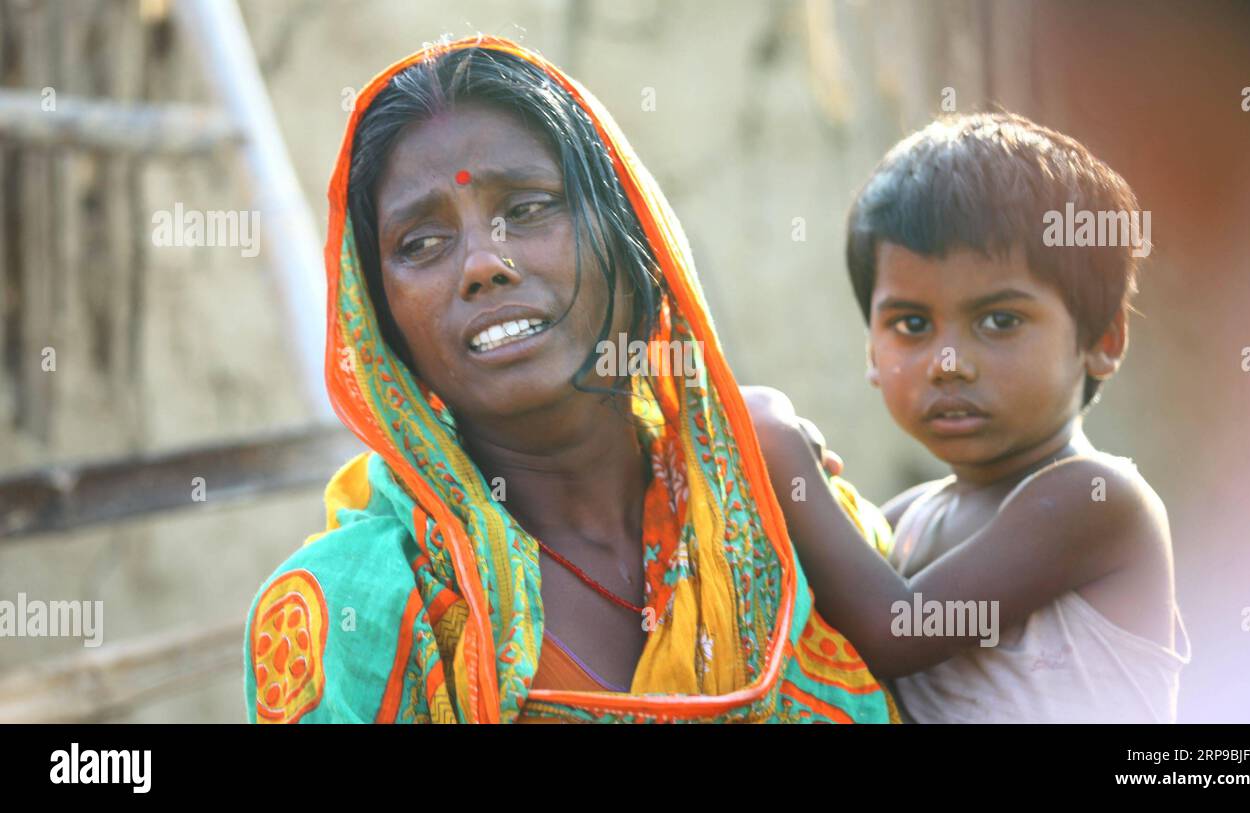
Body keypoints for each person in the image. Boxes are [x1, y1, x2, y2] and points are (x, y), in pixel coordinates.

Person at [243, 36, 898, 724]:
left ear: (629, 234)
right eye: (421, 243)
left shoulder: (779, 509)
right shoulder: (350, 611)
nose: (482, 264)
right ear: (383, 321)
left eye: (528, 209)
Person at [750, 112, 1190, 722]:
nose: (948, 364)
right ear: (872, 351)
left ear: (1103, 339)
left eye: (1000, 321)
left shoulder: (1097, 500)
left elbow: (893, 633)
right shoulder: (900, 522)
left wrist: (774, 443)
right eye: (911, 325)